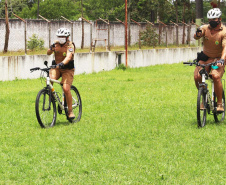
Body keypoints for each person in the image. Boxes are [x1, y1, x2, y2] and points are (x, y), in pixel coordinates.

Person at [194, 8, 226, 112]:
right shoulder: (205, 28)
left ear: (219, 19)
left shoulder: (224, 32)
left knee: (215, 76)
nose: (211, 21)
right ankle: (203, 97)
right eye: (210, 19)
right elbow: (197, 36)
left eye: (214, 19)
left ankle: (220, 104)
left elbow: (225, 47)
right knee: (197, 76)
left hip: (217, 60)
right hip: (205, 58)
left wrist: (222, 59)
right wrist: (197, 34)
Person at [47, 28, 75, 119]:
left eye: (63, 36)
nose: (61, 38)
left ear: (67, 37)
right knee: (50, 79)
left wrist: (62, 63)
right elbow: (48, 53)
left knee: (66, 89)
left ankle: (70, 111)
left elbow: (69, 56)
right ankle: (52, 97)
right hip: (57, 68)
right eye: (59, 36)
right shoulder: (56, 44)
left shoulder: (70, 45)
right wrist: (51, 48)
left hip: (67, 69)